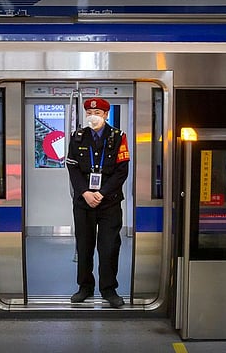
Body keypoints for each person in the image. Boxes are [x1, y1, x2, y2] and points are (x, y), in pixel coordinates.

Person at [66, 97, 130, 308]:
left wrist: (101, 193)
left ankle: (109, 289)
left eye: (97, 113)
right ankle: (84, 287)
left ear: (105, 115)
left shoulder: (118, 137)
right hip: (84, 202)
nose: (92, 117)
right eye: (89, 113)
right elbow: (73, 168)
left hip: (109, 202)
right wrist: (84, 192)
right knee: (84, 246)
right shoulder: (77, 137)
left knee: (109, 247)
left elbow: (122, 171)